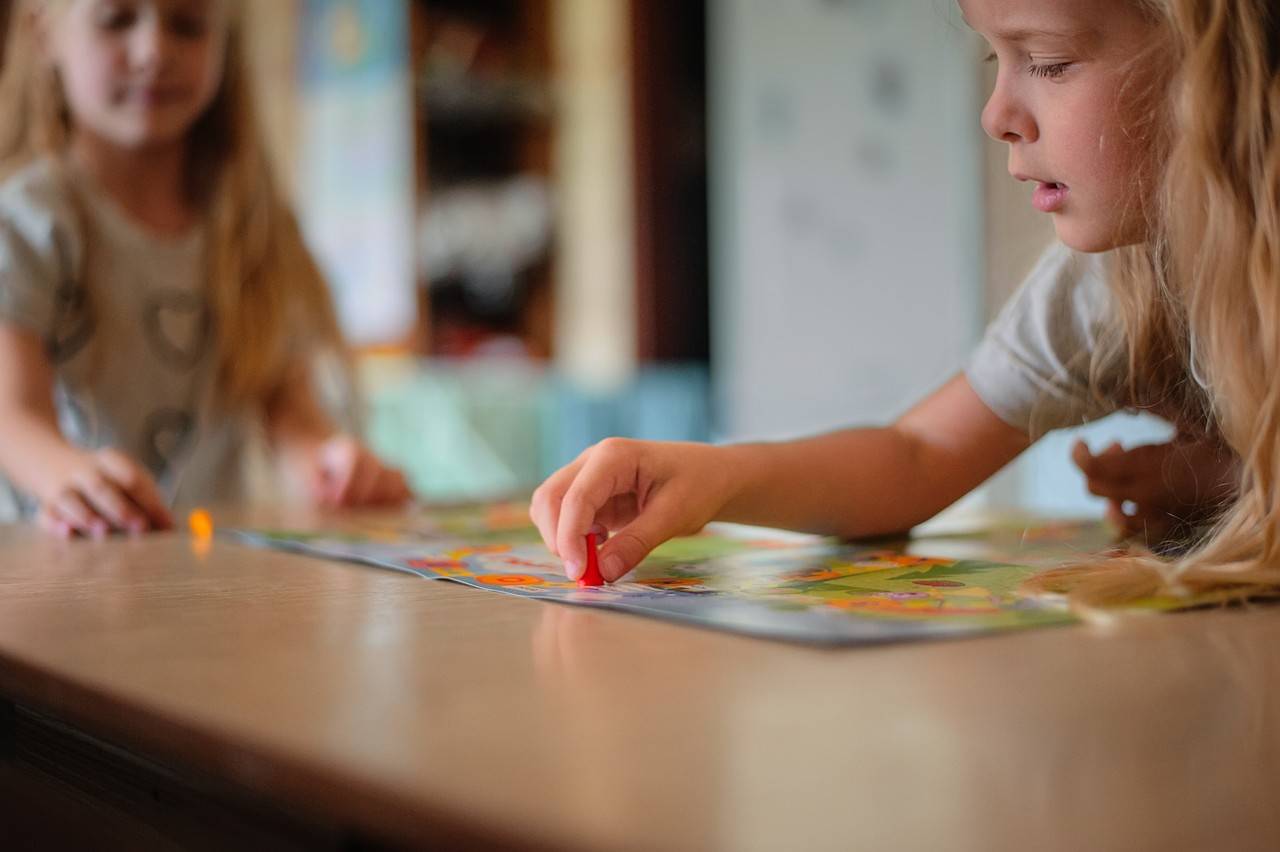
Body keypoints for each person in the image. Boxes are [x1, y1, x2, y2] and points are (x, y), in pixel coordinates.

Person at [532, 0, 1277, 606]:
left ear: (1221, 70)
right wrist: (716, 477)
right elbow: (917, 457)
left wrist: (1223, 483)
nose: (997, 114)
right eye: (997, 60)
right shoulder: (1105, 289)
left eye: (1047, 61)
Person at [0, 0, 410, 537]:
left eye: (188, 26)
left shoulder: (250, 226)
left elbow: (288, 409)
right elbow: (12, 414)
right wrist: (69, 476)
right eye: (116, 20)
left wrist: (328, 466)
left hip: (208, 577)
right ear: (42, 33)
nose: (153, 52)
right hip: (59, 575)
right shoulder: (27, 221)